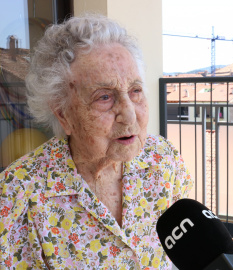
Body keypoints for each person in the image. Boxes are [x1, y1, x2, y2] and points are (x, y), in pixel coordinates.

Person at [0, 14, 193, 269]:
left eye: (135, 91)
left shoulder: (163, 159)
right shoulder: (17, 195)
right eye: (104, 97)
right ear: (63, 114)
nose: (130, 114)